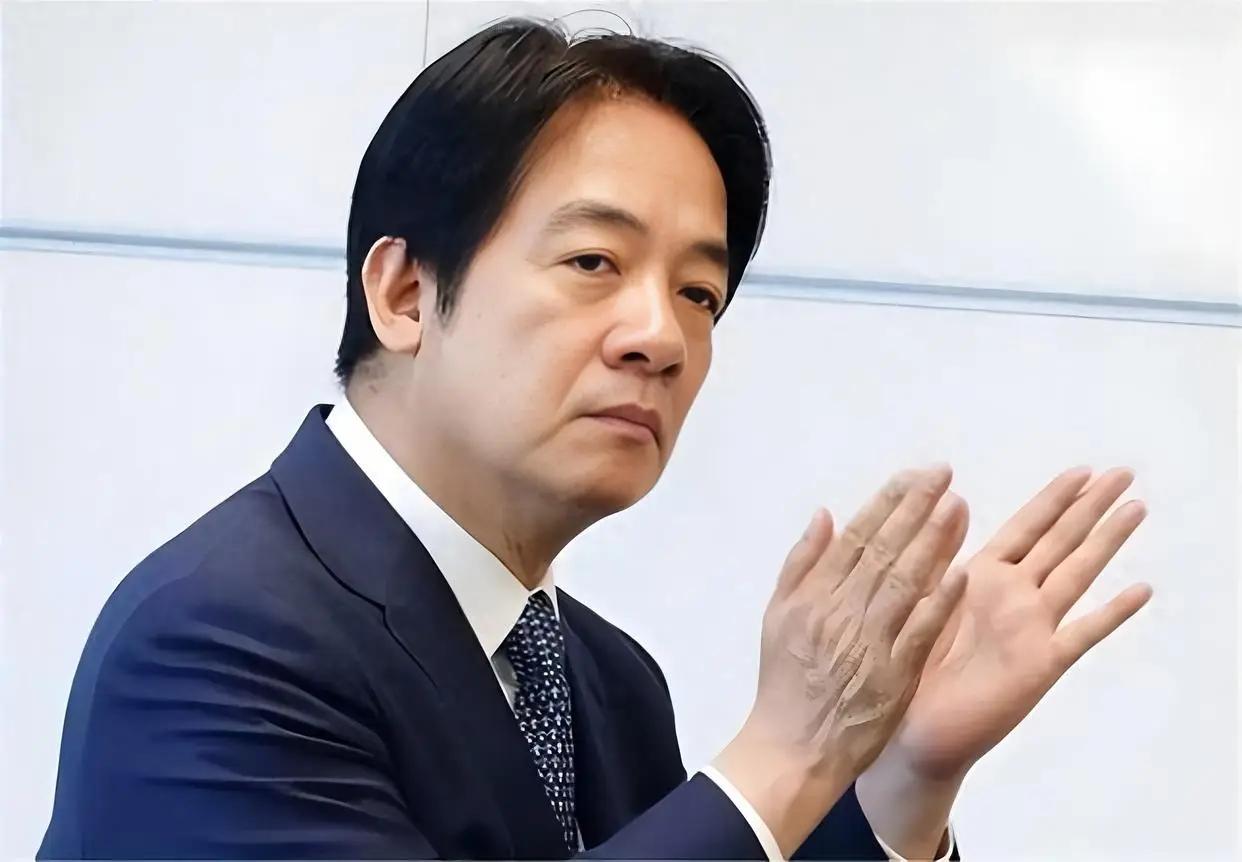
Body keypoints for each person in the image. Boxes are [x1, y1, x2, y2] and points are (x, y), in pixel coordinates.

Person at [37, 18, 1152, 861]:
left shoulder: (608, 679)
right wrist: (787, 750)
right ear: (406, 294)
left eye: (701, 292)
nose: (660, 336)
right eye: (593, 263)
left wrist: (904, 775)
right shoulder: (216, 638)